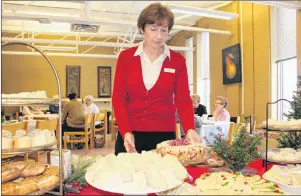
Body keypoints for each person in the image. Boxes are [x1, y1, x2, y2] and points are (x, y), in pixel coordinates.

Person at [112, 3, 201, 155]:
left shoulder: (177, 61)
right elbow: (118, 99)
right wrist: (126, 131)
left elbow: (183, 99)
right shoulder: (126, 58)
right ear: (142, 29)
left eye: (163, 30)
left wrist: (190, 129)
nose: (159, 36)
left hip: (164, 136)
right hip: (130, 134)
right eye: (153, 29)